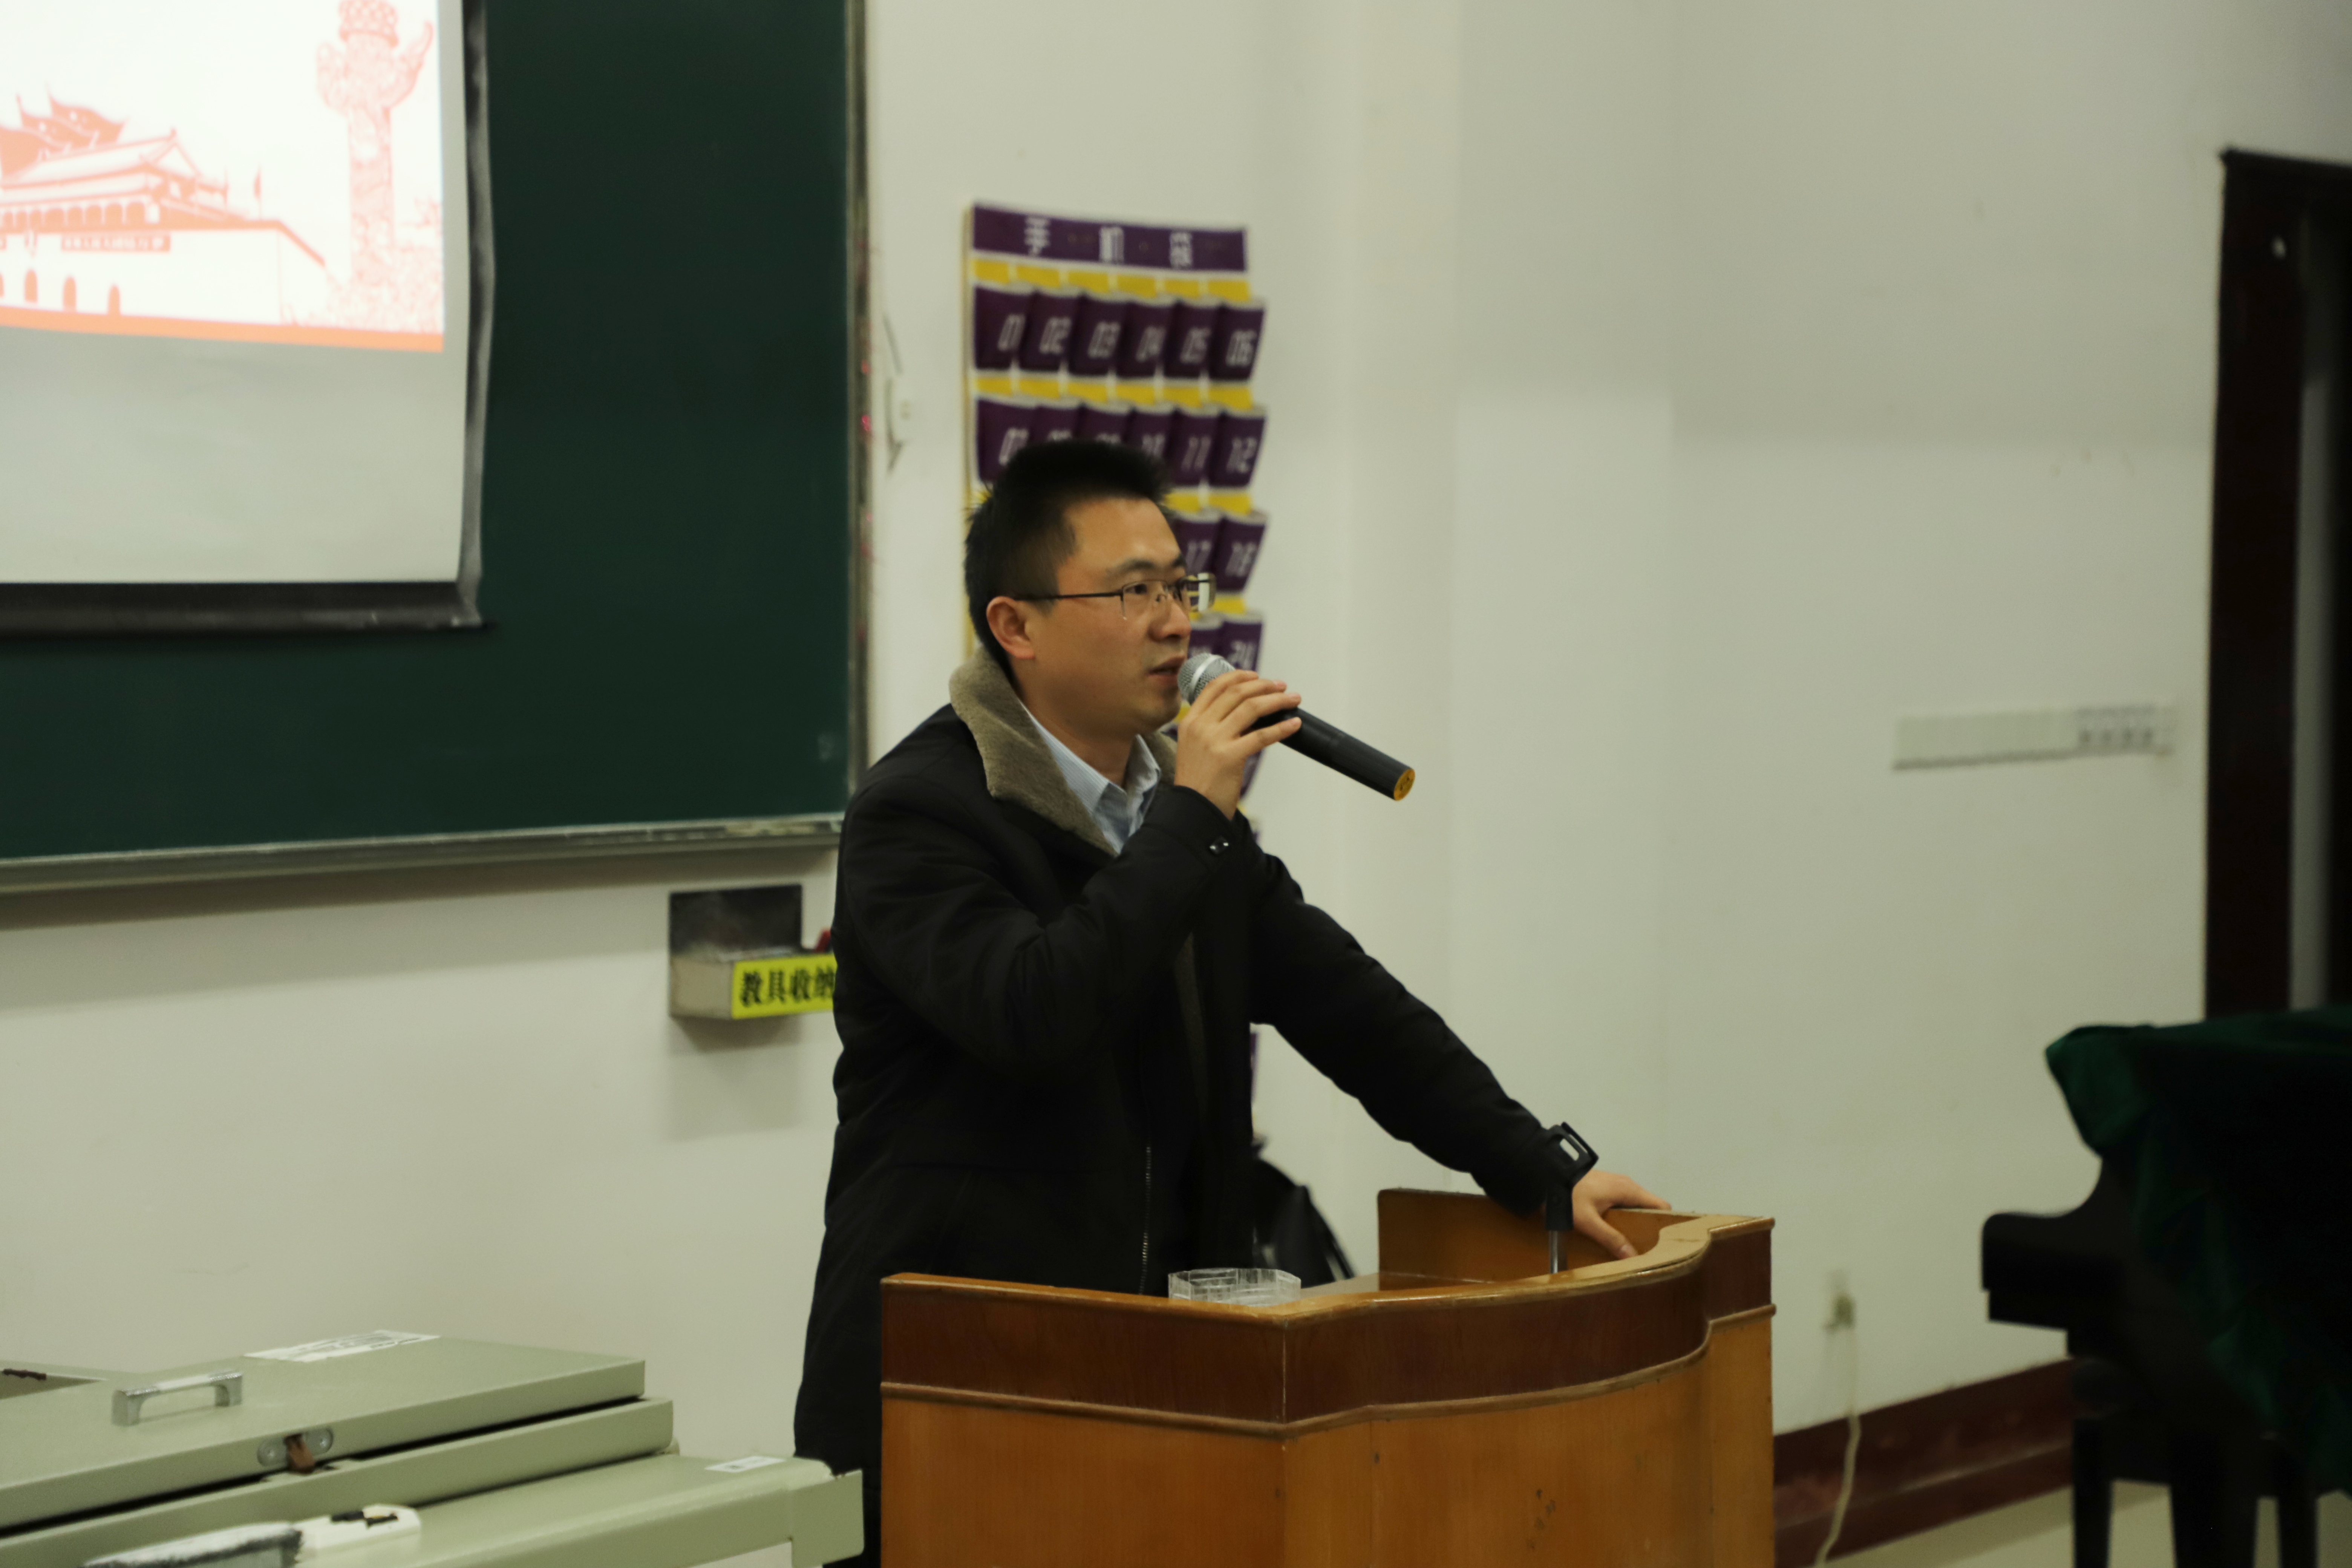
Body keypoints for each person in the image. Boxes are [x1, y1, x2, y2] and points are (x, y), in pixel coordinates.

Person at [793, 438, 1664, 1563]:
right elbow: (1039, 1015)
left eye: (1182, 587)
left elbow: (1351, 1009)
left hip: (1163, 1362)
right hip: (960, 1377)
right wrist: (1193, 816)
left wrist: (1539, 1168)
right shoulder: (920, 815)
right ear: (1016, 626)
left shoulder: (1176, 817)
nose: (1176, 625)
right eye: (1134, 593)